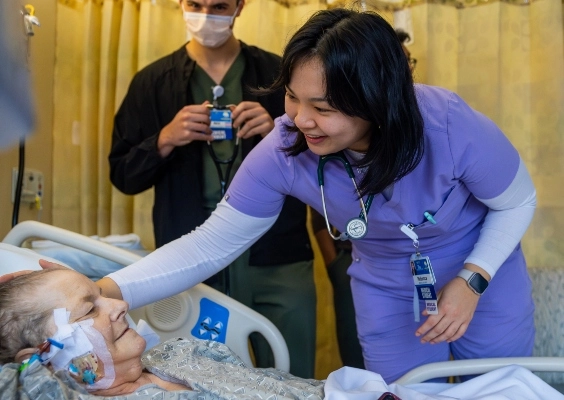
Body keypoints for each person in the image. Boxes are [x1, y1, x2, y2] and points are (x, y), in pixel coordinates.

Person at [93, 7, 536, 383]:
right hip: (386, 283)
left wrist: (473, 279)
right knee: (405, 390)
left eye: (322, 108)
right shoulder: (286, 149)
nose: (301, 120)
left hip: (482, 266)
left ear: (377, 101)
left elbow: (517, 200)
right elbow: (210, 243)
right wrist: (107, 289)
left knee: (500, 386)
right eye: (291, 98)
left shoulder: (446, 123)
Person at [107, 0, 316, 378]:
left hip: (277, 254)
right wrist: (164, 140)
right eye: (195, 4)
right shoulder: (152, 83)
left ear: (240, 6)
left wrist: (278, 132)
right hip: (190, 259)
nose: (205, 15)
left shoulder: (279, 75)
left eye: (218, 5)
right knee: (197, 375)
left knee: (293, 370)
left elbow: (326, 164)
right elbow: (123, 175)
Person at [0, 267, 325, 398]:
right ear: (41, 362)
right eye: (89, 309)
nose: (119, 305)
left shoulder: (185, 351)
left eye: (102, 295)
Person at [309, 27, 418, 370]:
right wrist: (336, 265)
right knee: (361, 361)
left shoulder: (424, 123)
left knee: (421, 359)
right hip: (354, 262)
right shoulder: (337, 127)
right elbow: (318, 209)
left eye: (406, 62)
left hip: (415, 266)